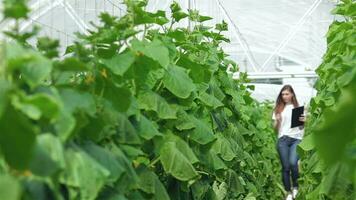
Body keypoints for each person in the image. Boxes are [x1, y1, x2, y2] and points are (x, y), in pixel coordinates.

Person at [272, 85, 306, 200]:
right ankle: (288, 192)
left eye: (286, 94)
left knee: (293, 163)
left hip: (296, 139)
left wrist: (303, 122)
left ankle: (296, 187)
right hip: (283, 140)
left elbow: (301, 128)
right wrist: (278, 121)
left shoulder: (298, 107)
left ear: (292, 94)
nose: (284, 96)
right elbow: (275, 129)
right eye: (283, 94)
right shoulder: (278, 108)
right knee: (285, 167)